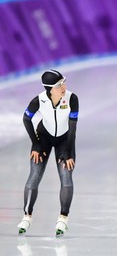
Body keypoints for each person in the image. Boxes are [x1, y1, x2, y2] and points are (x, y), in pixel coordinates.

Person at [17, 69, 79, 237]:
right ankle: (27, 216)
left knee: (66, 175)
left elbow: (73, 128)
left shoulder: (72, 99)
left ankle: (63, 218)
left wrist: (68, 151)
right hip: (43, 137)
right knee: (34, 175)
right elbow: (26, 118)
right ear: (50, 88)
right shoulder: (39, 100)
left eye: (64, 82)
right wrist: (36, 144)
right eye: (59, 85)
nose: (64, 86)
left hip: (64, 139)